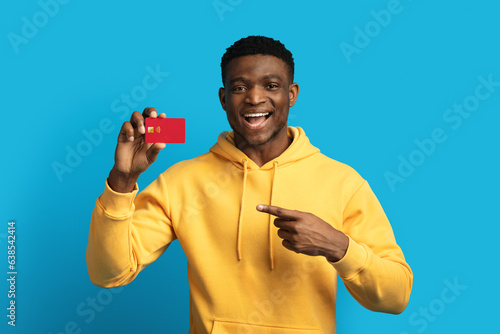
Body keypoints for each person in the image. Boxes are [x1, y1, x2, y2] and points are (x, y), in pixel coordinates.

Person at [86, 35, 413, 334]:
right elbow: (109, 273)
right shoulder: (182, 181)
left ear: (292, 94)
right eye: (240, 88)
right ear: (223, 98)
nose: (255, 98)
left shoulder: (343, 183)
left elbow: (396, 297)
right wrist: (123, 181)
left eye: (271, 85)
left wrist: (338, 246)